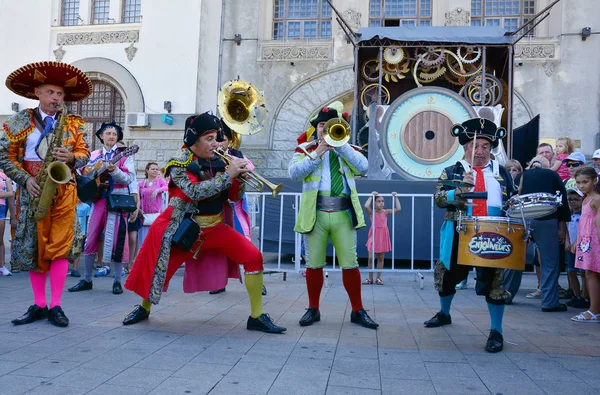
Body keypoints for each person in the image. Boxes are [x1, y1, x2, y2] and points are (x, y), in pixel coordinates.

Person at [122, 112, 285, 334]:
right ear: (194, 141)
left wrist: (239, 179)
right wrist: (228, 175)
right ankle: (144, 308)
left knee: (254, 257)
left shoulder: (220, 161)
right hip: (187, 230)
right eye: (209, 139)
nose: (215, 143)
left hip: (216, 227)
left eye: (216, 138)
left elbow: (234, 198)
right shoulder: (179, 163)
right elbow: (194, 191)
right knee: (159, 271)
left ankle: (256, 316)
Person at [0, 61, 91, 327]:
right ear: (37, 92)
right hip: (33, 188)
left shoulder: (73, 123)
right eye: (51, 92)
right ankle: (39, 303)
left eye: (60, 94)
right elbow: (5, 157)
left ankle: (56, 305)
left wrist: (73, 158)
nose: (56, 98)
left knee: (60, 248)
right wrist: (25, 179)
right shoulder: (18, 120)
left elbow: (85, 154)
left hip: (64, 191)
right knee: (35, 246)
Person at [425, 118, 513, 353]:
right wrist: (459, 190)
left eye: (485, 147)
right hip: (458, 230)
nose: (480, 151)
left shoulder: (502, 173)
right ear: (465, 148)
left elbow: (512, 201)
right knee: (446, 274)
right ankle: (444, 313)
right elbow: (438, 199)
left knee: (495, 280)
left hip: (493, 233)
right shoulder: (452, 171)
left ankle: (496, 331)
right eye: (476, 146)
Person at [289, 101, 378, 329]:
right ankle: (313, 308)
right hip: (316, 214)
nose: (324, 128)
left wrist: (341, 146)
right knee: (314, 264)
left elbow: (364, 167)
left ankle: (358, 310)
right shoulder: (305, 150)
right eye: (321, 125)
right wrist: (318, 152)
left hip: (343, 215)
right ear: (316, 128)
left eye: (329, 125)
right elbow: (293, 174)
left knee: (350, 264)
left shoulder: (349, 149)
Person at [68, 122, 136, 295]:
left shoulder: (124, 155)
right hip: (98, 200)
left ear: (118, 137)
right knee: (90, 239)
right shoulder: (94, 154)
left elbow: (129, 179)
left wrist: (114, 171)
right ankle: (87, 279)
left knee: (119, 241)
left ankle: (117, 281)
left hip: (117, 201)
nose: (111, 136)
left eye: (114, 134)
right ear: (101, 136)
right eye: (108, 133)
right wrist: (88, 179)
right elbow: (83, 174)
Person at [509, 154, 570, 312]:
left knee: (515, 260)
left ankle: (506, 294)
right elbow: (562, 202)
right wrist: (562, 227)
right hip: (546, 220)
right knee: (550, 262)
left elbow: (512, 199)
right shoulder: (551, 175)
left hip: (522, 219)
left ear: (530, 164)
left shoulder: (521, 176)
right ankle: (550, 302)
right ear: (547, 165)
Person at [571, 167, 600, 322]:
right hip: (586, 242)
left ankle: (594, 310)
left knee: (591, 273)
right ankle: (594, 309)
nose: (581, 186)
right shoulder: (586, 199)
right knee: (588, 273)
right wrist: (577, 241)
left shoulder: (596, 199)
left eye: (585, 182)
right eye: (578, 183)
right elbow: (584, 223)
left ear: (595, 181)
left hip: (594, 242)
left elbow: (597, 221)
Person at [362, 191, 401, 285]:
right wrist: (371, 196)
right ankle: (370, 278)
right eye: (379, 201)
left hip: (382, 237)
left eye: (382, 201)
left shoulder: (386, 212)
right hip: (374, 236)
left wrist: (395, 197)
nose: (381, 203)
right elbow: (366, 206)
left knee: (380, 257)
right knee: (371, 258)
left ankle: (378, 278)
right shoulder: (372, 212)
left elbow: (398, 209)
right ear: (375, 203)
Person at [564, 188, 589, 308]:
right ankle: (576, 295)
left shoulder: (584, 213)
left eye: (576, 199)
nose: (572, 202)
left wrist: (576, 242)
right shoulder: (569, 214)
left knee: (583, 273)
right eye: (570, 199)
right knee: (571, 272)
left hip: (582, 246)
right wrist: (568, 242)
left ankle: (585, 297)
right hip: (571, 247)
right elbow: (567, 230)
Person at [137, 162, 168, 247]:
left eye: (157, 169)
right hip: (144, 215)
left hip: (156, 215)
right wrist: (138, 209)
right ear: (147, 170)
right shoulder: (141, 184)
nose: (155, 171)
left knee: (154, 241)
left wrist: (157, 190)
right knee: (142, 240)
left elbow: (167, 187)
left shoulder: (160, 181)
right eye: (153, 169)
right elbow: (137, 197)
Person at [70, 199, 91, 277]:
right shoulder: (72, 205)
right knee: (69, 248)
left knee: (78, 249)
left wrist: (86, 231)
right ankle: (70, 260)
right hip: (70, 230)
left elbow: (87, 220)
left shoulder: (87, 207)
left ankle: (74, 268)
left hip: (81, 231)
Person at [0, 170, 15, 276]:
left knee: (0, 240)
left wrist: (1, 194)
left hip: (1, 208)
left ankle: (2, 266)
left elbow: (10, 192)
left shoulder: (3, 175)